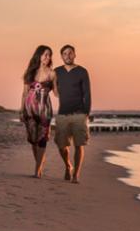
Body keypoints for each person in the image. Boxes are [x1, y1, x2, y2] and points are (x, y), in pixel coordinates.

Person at [53, 44, 91, 183]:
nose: (67, 56)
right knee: (61, 145)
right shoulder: (56, 71)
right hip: (63, 113)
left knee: (79, 145)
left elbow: (87, 93)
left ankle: (76, 175)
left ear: (74, 55)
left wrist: (86, 112)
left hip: (79, 113)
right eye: (64, 54)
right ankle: (68, 165)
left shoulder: (82, 71)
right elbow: (51, 87)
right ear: (61, 56)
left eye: (70, 53)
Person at [21, 45, 58, 178]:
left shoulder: (52, 73)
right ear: (39, 56)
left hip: (45, 110)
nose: (47, 57)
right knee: (33, 139)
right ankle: (39, 163)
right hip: (29, 109)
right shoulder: (30, 72)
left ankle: (37, 170)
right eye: (45, 54)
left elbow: (56, 93)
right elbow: (24, 93)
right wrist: (22, 111)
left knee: (42, 138)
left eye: (49, 55)